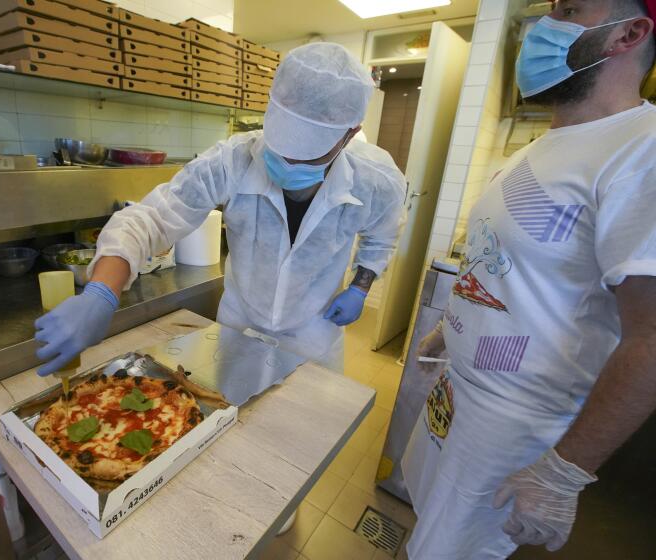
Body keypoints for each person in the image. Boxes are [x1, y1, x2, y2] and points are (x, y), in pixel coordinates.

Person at [408, 0, 656, 557]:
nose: (544, 28)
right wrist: (450, 329)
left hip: (513, 428)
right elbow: (510, 274)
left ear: (630, 33)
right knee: (424, 530)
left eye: (569, 9)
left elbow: (653, 336)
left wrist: (565, 472)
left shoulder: (642, 151)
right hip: (458, 399)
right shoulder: (541, 148)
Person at [34, 42, 406, 377]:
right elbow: (153, 217)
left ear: (349, 135)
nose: (287, 160)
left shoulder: (376, 180)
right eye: (280, 144)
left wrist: (360, 285)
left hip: (314, 337)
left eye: (305, 151)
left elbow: (382, 237)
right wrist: (101, 292)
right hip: (237, 331)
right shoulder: (234, 160)